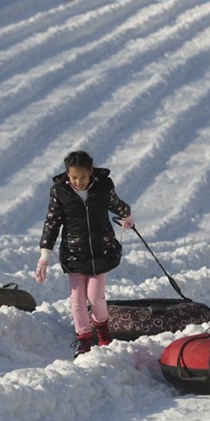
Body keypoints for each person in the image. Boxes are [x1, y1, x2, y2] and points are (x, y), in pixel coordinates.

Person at [34, 151, 134, 357]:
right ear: (67, 174)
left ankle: (103, 332)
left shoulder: (103, 187)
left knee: (95, 296)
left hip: (101, 251)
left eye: (83, 177)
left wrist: (127, 216)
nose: (78, 182)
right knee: (77, 300)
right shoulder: (60, 192)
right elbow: (52, 223)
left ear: (91, 172)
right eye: (74, 177)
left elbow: (115, 203)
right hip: (74, 254)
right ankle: (84, 339)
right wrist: (45, 255)